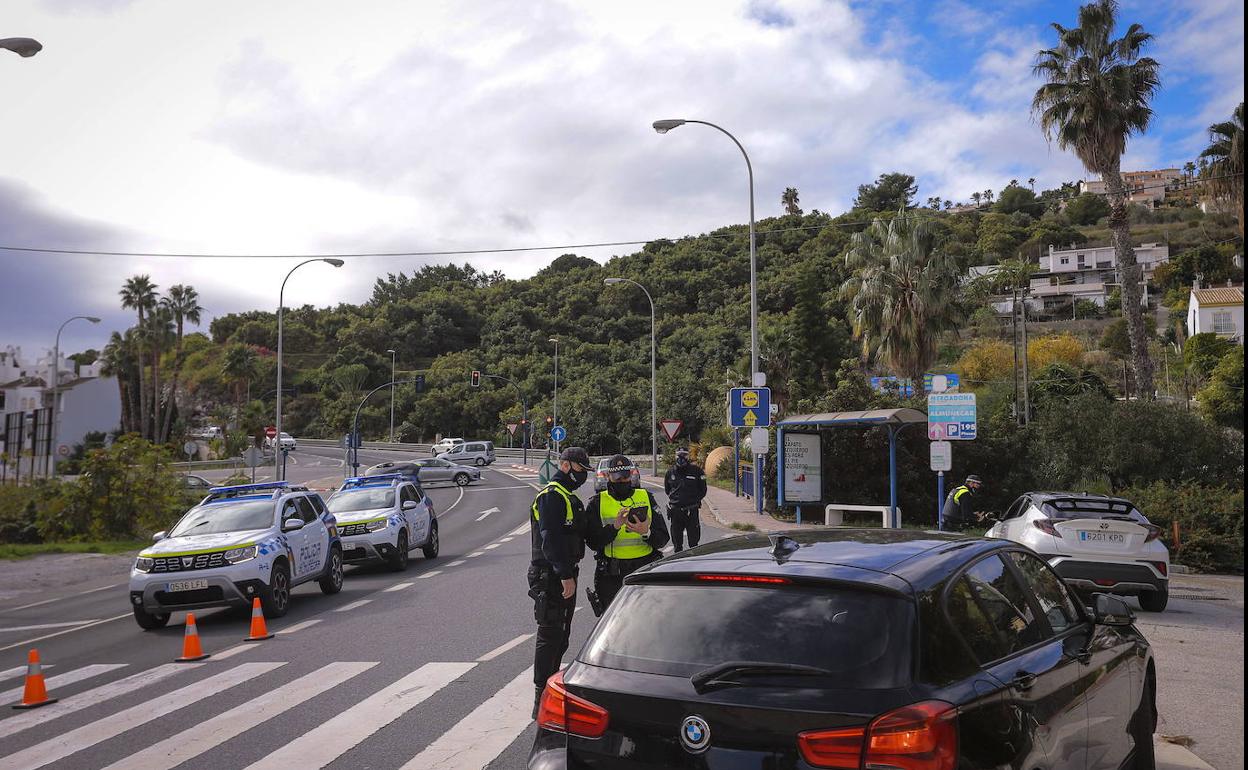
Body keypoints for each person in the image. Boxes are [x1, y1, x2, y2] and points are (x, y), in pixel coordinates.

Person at [528, 446, 593, 717]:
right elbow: (550, 539)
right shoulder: (552, 496)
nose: (582, 476)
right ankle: (540, 695)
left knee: (562, 634)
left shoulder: (570, 497)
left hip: (565, 572)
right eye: (580, 469)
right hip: (550, 575)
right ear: (565, 465)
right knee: (550, 633)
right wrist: (564, 575)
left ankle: (551, 689)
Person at [585, 455, 670, 615]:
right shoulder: (597, 503)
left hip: (644, 569)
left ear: (631, 475)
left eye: (625, 476)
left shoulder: (646, 497)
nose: (622, 481)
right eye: (617, 478)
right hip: (613, 574)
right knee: (615, 625)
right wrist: (614, 527)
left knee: (648, 619)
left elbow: (663, 539)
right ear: (608, 476)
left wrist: (646, 532)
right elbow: (593, 542)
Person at [664, 447, 708, 552]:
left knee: (694, 543)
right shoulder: (670, 472)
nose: (681, 457)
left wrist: (693, 500)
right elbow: (667, 489)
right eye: (679, 455)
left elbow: (703, 490)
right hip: (676, 512)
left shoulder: (697, 471)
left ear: (688, 456)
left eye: (684, 455)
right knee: (677, 544)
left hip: (691, 511)